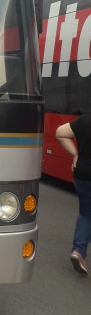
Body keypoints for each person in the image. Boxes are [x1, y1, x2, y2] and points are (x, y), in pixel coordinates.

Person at [56, 116, 91, 275]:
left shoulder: (84, 120)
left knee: (86, 214)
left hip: (82, 175)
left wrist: (75, 154)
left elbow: (60, 133)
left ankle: (78, 251)